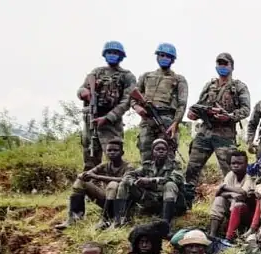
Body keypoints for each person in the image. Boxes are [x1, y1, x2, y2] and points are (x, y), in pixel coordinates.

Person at [184, 53, 251, 206]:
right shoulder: (209, 85)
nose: (222, 67)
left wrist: (229, 117)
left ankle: (232, 206)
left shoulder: (239, 87)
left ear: (231, 66)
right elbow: (199, 104)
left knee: (231, 172)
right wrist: (193, 113)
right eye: (219, 63)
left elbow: (246, 109)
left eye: (225, 64)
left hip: (225, 135)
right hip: (204, 133)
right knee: (192, 169)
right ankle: (187, 204)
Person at [78, 41, 137, 169]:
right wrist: (83, 92)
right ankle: (90, 185)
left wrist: (108, 117)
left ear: (121, 56)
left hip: (111, 122)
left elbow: (126, 101)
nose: (112, 55)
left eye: (115, 53)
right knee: (90, 155)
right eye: (109, 52)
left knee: (114, 157)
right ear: (104, 55)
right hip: (91, 119)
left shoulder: (127, 76)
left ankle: (114, 185)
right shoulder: (96, 72)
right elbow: (81, 89)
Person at [56, 138, 130, 230]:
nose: (112, 152)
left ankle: (105, 219)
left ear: (122, 152)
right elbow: (87, 174)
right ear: (106, 152)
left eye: (115, 150)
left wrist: (98, 177)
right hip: (107, 199)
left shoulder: (128, 167)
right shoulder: (104, 165)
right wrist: (83, 175)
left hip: (122, 203)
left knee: (113, 184)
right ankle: (74, 218)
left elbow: (124, 180)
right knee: (80, 182)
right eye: (109, 150)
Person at [133, 43, 188, 163]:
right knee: (146, 152)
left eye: (168, 56)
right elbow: (132, 95)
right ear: (157, 57)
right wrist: (136, 107)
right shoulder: (146, 76)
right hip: (147, 119)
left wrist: (175, 123)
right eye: (162, 55)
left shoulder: (179, 79)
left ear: (173, 60)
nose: (164, 58)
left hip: (167, 120)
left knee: (167, 154)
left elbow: (182, 104)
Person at [114, 139, 186, 227]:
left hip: (168, 200)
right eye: (157, 149)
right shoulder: (147, 166)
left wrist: (151, 180)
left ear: (167, 152)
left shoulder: (175, 164)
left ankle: (165, 223)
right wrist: (135, 182)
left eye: (163, 149)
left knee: (170, 184)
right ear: (152, 152)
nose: (161, 151)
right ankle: (119, 219)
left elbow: (177, 178)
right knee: (124, 183)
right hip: (150, 198)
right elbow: (128, 175)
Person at [208, 150, 255, 240]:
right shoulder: (231, 174)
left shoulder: (249, 177)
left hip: (246, 212)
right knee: (219, 200)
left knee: (238, 203)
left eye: (239, 163)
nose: (235, 165)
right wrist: (231, 194)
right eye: (233, 163)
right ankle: (212, 234)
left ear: (246, 164)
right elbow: (218, 193)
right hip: (231, 208)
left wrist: (224, 186)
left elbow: (242, 193)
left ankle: (228, 237)